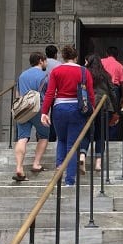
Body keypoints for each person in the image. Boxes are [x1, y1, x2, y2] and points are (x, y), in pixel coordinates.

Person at [40, 45, 95, 186]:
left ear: (62, 57)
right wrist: (92, 110)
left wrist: (44, 112)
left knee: (61, 140)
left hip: (59, 108)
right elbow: (90, 94)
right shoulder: (84, 71)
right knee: (72, 145)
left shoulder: (56, 71)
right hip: (77, 109)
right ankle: (69, 180)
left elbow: (50, 93)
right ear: (76, 57)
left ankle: (59, 169)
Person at [13, 52, 49, 182]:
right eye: (45, 61)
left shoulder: (22, 75)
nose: (46, 63)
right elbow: (49, 93)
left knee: (22, 138)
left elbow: (18, 94)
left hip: (23, 109)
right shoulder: (45, 75)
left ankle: (19, 167)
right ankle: (36, 164)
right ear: (41, 61)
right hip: (39, 108)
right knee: (44, 136)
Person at [81, 53, 118, 173]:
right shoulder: (105, 75)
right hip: (104, 105)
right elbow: (112, 92)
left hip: (88, 105)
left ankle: (82, 155)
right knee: (100, 135)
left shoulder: (85, 73)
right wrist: (115, 109)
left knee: (86, 132)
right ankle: (98, 163)